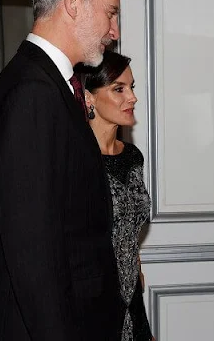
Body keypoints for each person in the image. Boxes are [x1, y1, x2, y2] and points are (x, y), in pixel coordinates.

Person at [0, 0, 125, 340]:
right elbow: (33, 250)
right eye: (110, 12)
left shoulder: (51, 85)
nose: (114, 31)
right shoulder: (32, 94)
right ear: (73, 4)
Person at [74, 51, 154, 341]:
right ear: (89, 98)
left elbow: (128, 228)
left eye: (131, 88)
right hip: (90, 299)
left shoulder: (133, 157)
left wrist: (136, 264)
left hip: (131, 294)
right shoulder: (76, 160)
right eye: (118, 89)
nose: (131, 97)